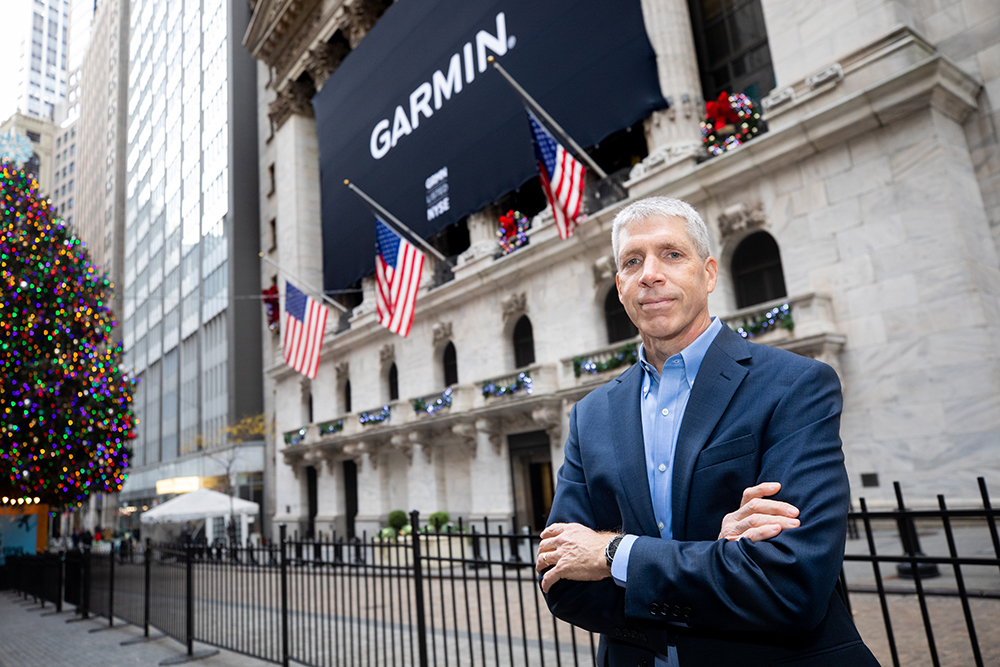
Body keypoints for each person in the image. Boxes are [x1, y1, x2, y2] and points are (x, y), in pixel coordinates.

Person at [536, 197, 877, 666]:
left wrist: (614, 555)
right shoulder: (590, 414)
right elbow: (564, 578)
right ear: (620, 286)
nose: (650, 273)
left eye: (671, 254)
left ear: (709, 273)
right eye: (632, 261)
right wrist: (715, 563)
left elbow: (791, 582)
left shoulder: (795, 385)